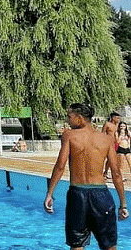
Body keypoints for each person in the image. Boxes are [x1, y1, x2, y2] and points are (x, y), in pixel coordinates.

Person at [45, 103, 128, 250]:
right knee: (109, 246)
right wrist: (123, 204)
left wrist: (50, 194)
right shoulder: (106, 139)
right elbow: (116, 174)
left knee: (77, 245)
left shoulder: (69, 135)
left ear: (79, 118)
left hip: (77, 194)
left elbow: (60, 166)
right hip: (101, 195)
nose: (68, 120)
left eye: (69, 116)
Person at [103, 112, 122, 179]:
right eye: (117, 118)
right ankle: (100, 172)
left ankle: (105, 173)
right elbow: (103, 133)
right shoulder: (107, 124)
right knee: (104, 158)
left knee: (111, 159)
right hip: (108, 143)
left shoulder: (118, 125)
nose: (118, 119)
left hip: (115, 144)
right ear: (113, 118)